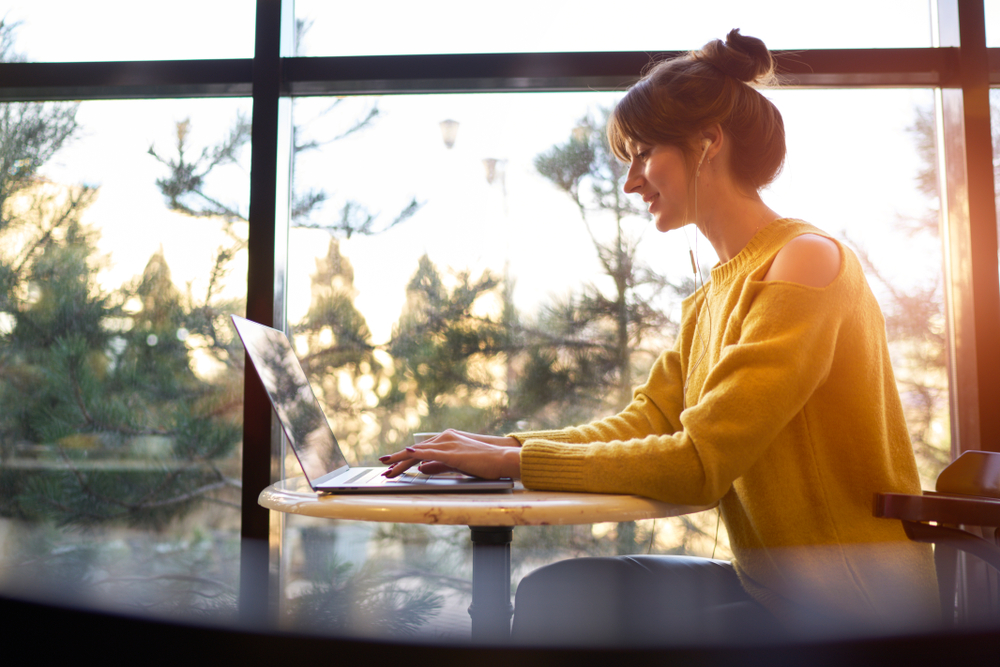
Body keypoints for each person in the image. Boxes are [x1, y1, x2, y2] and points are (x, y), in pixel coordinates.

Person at [381, 29, 940, 644]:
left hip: (853, 605)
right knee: (558, 593)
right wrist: (503, 445)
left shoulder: (805, 261)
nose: (631, 182)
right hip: (773, 587)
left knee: (584, 621)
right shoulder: (714, 294)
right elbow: (646, 421)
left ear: (708, 143)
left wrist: (514, 462)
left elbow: (699, 462)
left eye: (643, 153)